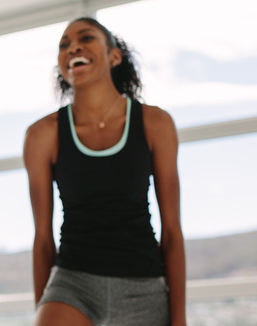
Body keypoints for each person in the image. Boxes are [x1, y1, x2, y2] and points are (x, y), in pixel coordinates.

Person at [23, 17, 186, 326]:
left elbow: (173, 231)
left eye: (86, 38)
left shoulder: (155, 123)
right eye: (64, 45)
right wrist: (41, 308)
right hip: (72, 284)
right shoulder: (42, 135)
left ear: (114, 56)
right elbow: (43, 238)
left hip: (143, 286)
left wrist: (178, 319)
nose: (74, 47)